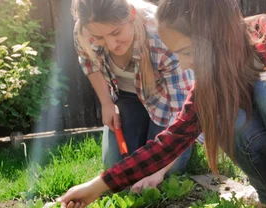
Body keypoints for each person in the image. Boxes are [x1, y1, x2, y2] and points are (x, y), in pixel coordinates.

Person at [60, 0, 266, 208]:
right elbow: (168, 142)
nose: (184, 64)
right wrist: (96, 187)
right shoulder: (212, 78)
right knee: (223, 112)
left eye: (186, 52)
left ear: (213, 35)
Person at [72, 0, 193, 193]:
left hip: (164, 100)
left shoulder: (162, 36)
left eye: (115, 33)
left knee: (167, 170)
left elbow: (182, 115)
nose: (111, 45)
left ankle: (183, 149)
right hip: (127, 96)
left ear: (131, 14)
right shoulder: (85, 32)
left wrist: (159, 171)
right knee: (114, 165)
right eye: (100, 37)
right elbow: (88, 61)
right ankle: (144, 130)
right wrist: (106, 103)